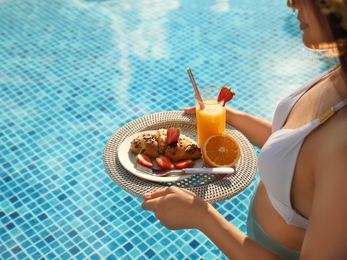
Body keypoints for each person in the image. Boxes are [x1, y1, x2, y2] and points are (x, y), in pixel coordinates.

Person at [141, 0, 347, 259]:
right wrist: (232, 117)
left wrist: (204, 218)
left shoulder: (344, 151)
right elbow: (299, 152)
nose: (291, 3)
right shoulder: (340, 74)